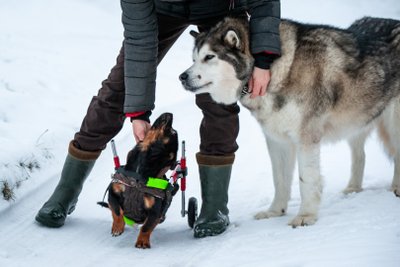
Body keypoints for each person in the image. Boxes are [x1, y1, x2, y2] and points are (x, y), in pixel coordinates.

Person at [35, 0, 281, 238]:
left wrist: (262, 60)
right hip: (161, 8)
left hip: (221, 8)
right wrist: (138, 112)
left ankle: (215, 208)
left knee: (217, 100)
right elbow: (139, 41)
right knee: (116, 93)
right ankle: (65, 192)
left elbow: (264, 3)